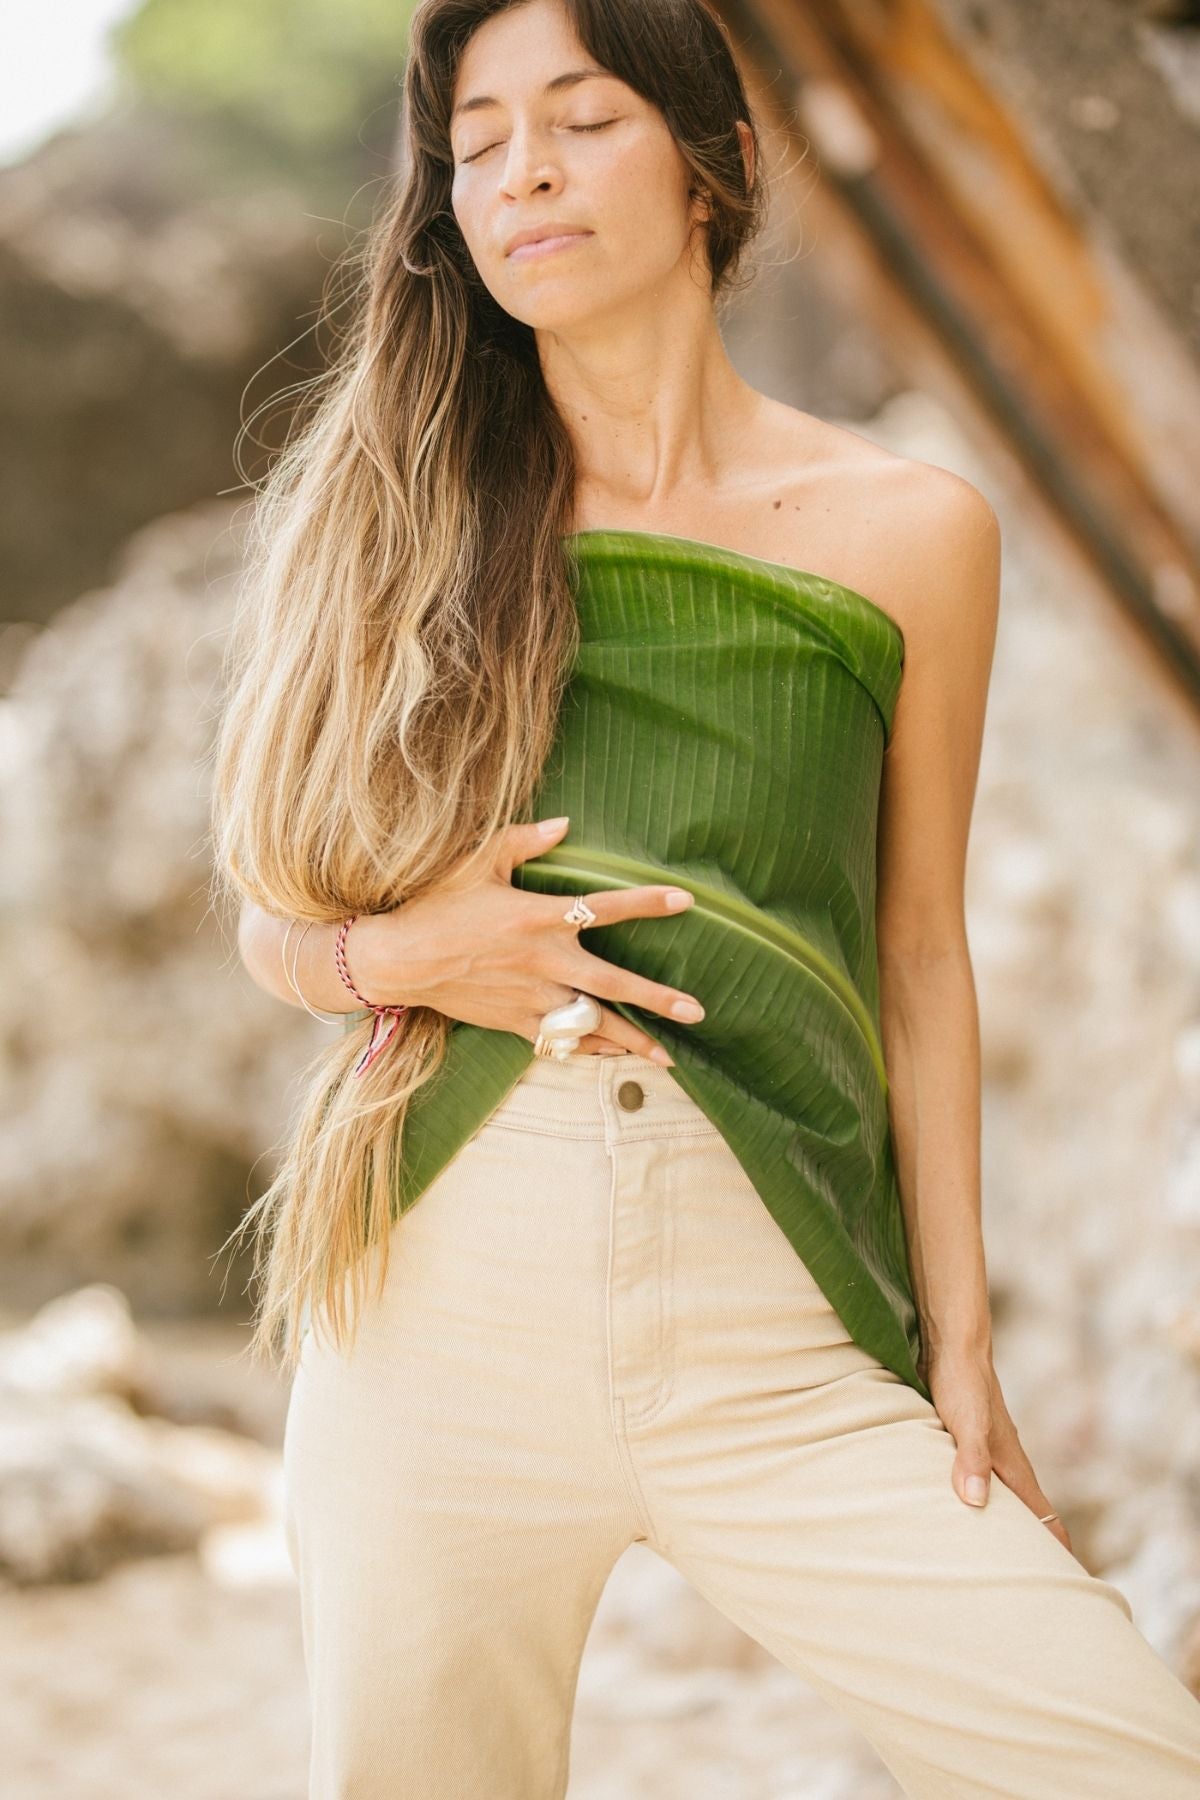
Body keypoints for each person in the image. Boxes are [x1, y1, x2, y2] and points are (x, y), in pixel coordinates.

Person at [210, 1, 1200, 1794]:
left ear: (712, 164)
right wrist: (404, 952)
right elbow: (277, 920)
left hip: (784, 1311)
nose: (522, 170)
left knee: (1120, 1753)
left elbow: (918, 956)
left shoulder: (912, 528)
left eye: (580, 118)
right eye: (481, 137)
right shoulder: (393, 521)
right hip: (438, 1298)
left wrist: (961, 1347)